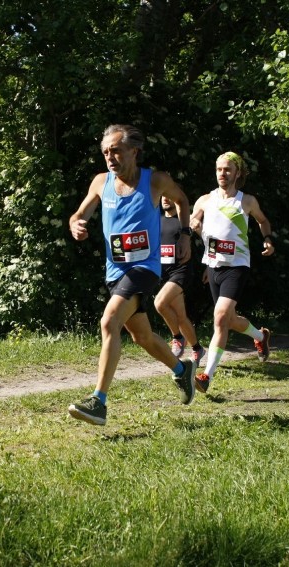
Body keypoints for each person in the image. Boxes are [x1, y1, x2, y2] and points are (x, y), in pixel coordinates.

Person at [67, 124, 196, 425]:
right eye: (105, 153)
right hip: (116, 270)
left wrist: (186, 234)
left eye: (115, 150)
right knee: (142, 337)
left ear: (133, 151)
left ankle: (98, 401)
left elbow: (182, 201)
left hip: (145, 267)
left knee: (109, 321)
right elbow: (80, 213)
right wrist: (75, 224)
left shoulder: (156, 181)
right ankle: (182, 370)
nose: (110, 157)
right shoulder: (101, 182)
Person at [189, 151, 274, 394]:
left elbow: (262, 220)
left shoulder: (246, 201)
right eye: (218, 170)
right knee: (229, 319)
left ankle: (206, 375)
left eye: (227, 169)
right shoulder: (205, 200)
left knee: (220, 318)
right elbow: (197, 225)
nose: (222, 174)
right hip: (214, 266)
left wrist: (267, 238)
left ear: (237, 172)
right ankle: (260, 336)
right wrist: (194, 224)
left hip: (237, 266)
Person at [155, 195, 206, 366]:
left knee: (160, 303)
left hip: (181, 271)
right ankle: (197, 348)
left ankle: (177, 338)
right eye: (163, 196)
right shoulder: (157, 219)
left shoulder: (186, 221)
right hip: (165, 273)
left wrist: (209, 265)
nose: (165, 199)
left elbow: (206, 238)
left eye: (170, 196)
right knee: (181, 317)